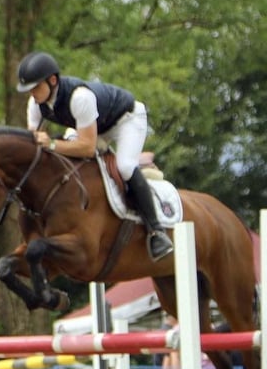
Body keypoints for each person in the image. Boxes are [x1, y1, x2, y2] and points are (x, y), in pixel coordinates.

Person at [16, 51, 173, 262]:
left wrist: (52, 143)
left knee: (125, 167)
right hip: (91, 127)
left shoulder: (80, 97)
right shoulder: (35, 104)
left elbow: (88, 148)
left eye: (35, 87)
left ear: (52, 80)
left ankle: (157, 231)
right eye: (29, 90)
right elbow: (35, 141)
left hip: (125, 120)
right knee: (69, 155)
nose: (32, 93)